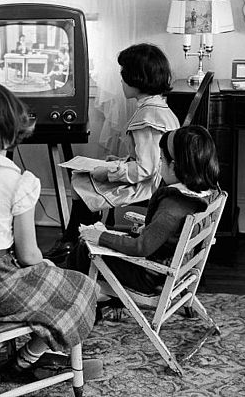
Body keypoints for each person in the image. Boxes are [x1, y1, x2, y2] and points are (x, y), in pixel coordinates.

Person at [0, 81, 100, 379]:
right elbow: (27, 255)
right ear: (9, 128)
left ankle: (16, 350)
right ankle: (27, 359)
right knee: (82, 288)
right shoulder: (18, 182)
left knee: (50, 280)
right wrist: (46, 265)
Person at [46, 43, 180, 262]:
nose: (121, 80)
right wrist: (117, 162)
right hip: (156, 178)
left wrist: (110, 172)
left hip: (151, 185)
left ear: (137, 78)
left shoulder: (148, 118)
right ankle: (81, 237)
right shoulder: (156, 108)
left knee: (83, 180)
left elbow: (146, 168)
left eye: (123, 74)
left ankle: (78, 240)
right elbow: (148, 157)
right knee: (83, 178)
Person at [66, 125, 221, 295]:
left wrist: (100, 236)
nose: (159, 165)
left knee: (83, 250)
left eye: (161, 159)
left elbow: (141, 247)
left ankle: (81, 301)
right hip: (179, 267)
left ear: (174, 166)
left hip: (151, 276)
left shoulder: (172, 207)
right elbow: (163, 233)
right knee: (105, 235)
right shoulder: (205, 194)